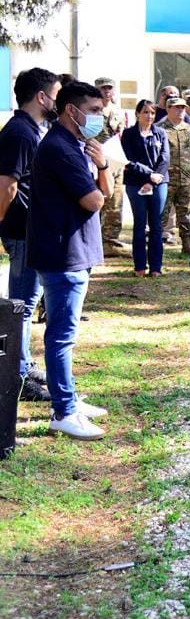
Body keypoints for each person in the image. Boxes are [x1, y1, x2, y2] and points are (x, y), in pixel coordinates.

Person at [27, 80, 112, 440]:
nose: (99, 117)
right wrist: (100, 171)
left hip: (75, 251)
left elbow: (105, 191)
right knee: (61, 338)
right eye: (93, 111)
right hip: (63, 255)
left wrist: (102, 164)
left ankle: (70, 399)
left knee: (66, 335)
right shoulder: (60, 148)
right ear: (71, 111)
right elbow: (94, 201)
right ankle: (63, 411)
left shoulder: (76, 146)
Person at [0, 67, 60, 402]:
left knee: (27, 302)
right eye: (55, 95)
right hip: (21, 231)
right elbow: (7, 186)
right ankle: (18, 376)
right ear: (41, 97)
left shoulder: (29, 129)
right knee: (21, 306)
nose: (57, 101)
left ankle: (23, 362)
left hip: (30, 230)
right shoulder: (21, 133)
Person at [119, 99, 169, 277]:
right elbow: (128, 160)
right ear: (137, 114)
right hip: (136, 183)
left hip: (159, 183)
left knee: (156, 224)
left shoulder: (160, 133)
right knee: (140, 224)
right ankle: (140, 266)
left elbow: (164, 158)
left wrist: (154, 180)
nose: (149, 116)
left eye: (152, 113)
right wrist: (149, 175)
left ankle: (156, 267)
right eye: (146, 112)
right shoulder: (128, 134)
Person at [156, 98, 190, 253]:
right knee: (161, 213)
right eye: (177, 107)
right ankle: (155, 245)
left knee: (185, 213)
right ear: (168, 108)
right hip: (166, 179)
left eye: (183, 108)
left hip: (187, 179)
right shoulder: (159, 129)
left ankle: (187, 245)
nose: (181, 110)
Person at [94, 77, 128, 258]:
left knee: (115, 202)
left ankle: (110, 241)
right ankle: (93, 240)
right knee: (95, 200)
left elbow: (122, 135)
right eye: (103, 88)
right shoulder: (91, 110)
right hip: (94, 162)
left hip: (114, 162)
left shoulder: (118, 112)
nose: (107, 91)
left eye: (109, 88)